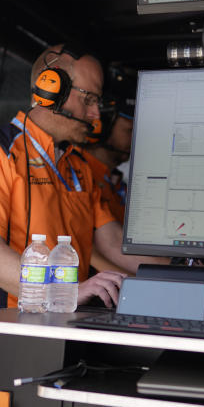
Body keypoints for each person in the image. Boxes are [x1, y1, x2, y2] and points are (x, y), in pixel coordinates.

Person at [0, 44, 164, 407]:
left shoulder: (79, 166)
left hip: (66, 337)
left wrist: (189, 269)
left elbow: (112, 244)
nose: (96, 115)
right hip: (2, 340)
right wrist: (60, 290)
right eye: (89, 100)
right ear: (49, 88)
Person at [83, 90, 135, 274]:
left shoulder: (116, 181)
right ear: (100, 127)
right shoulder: (81, 176)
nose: (136, 138)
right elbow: (109, 246)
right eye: (130, 130)